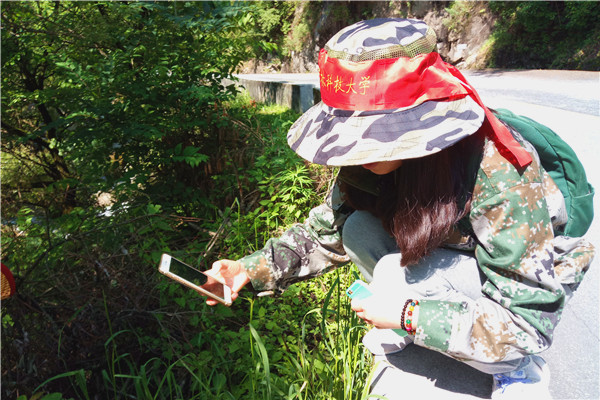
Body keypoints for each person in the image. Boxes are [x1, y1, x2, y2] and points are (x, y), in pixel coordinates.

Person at [203, 18, 595, 398]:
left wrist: (409, 315)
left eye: (378, 134)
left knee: (396, 274)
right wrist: (248, 269)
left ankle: (515, 368)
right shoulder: (367, 163)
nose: (361, 149)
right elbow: (324, 234)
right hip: (449, 257)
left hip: (510, 287)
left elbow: (527, 320)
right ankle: (434, 324)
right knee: (357, 229)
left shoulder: (496, 172)